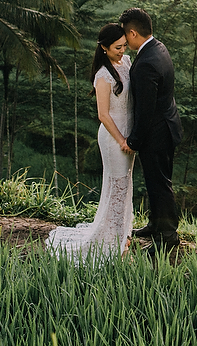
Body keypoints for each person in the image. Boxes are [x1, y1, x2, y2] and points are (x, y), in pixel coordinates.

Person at [45, 23, 135, 258]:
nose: (122, 51)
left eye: (124, 45)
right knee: (117, 185)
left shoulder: (126, 63)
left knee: (125, 185)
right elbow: (103, 114)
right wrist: (122, 140)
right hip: (113, 136)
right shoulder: (103, 75)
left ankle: (122, 233)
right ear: (104, 47)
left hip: (129, 134)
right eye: (117, 47)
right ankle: (111, 241)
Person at [119, 7, 183, 253]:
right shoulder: (159, 48)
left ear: (133, 33)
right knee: (157, 181)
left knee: (158, 184)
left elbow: (145, 110)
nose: (124, 41)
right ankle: (156, 224)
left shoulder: (146, 63)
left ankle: (168, 236)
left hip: (157, 132)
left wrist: (134, 141)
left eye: (126, 35)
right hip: (167, 125)